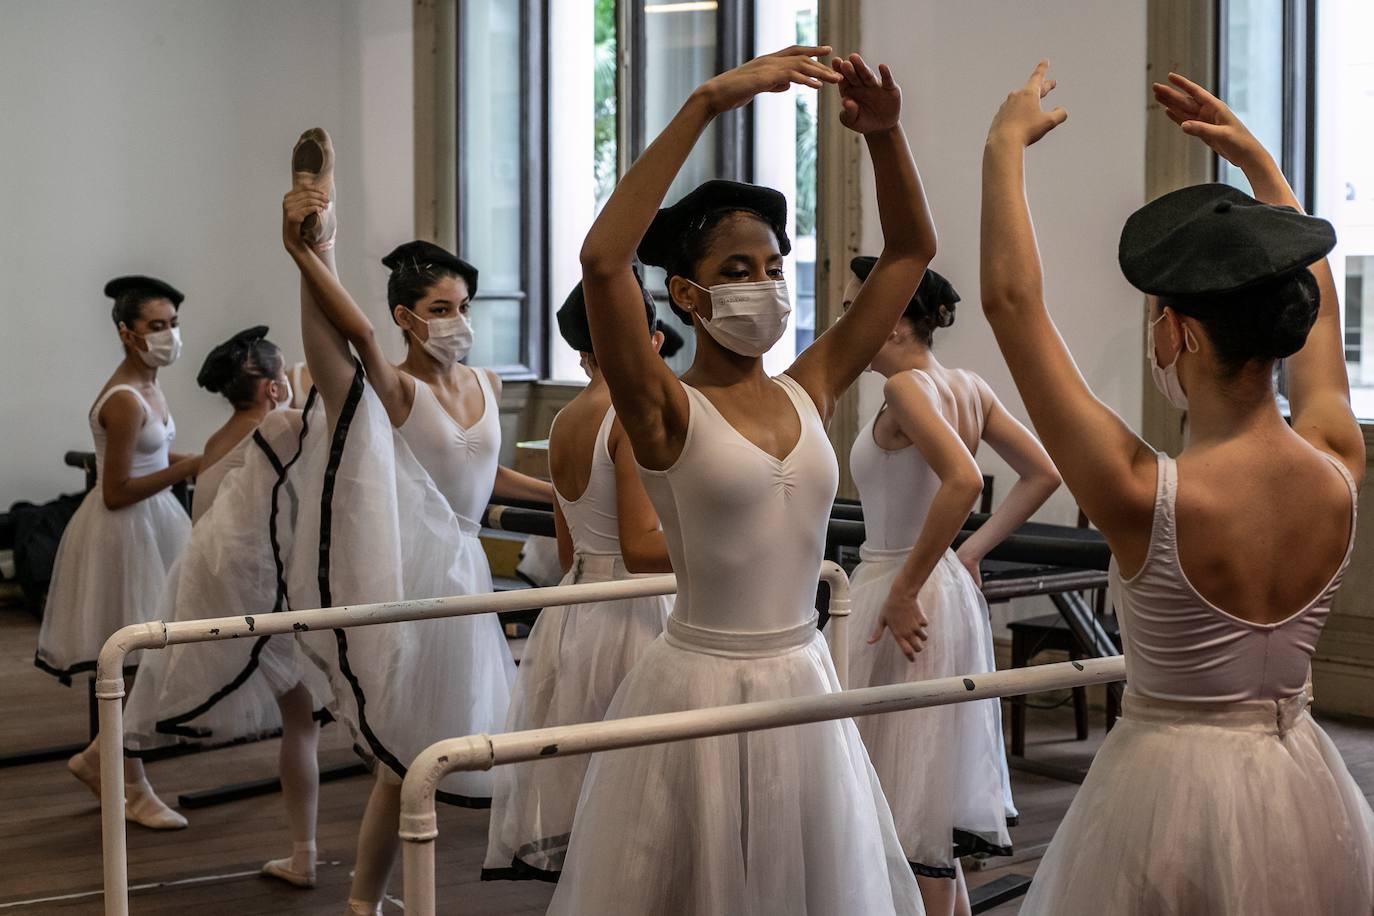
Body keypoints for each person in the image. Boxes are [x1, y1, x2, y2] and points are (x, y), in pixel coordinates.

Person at [548, 47, 935, 915]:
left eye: (772, 267)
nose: (764, 285)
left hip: (802, 677)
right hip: (701, 684)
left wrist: (885, 136)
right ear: (685, 296)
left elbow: (910, 252)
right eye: (736, 271)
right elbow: (604, 261)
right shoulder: (664, 409)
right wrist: (708, 102)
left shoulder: (814, 385)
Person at [981, 62, 1374, 914]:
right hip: (1301, 778)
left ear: (1182, 334)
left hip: (1166, 789)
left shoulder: (1140, 492)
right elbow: (1323, 309)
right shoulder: (1338, 461)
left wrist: (1003, 147)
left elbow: (1014, 305)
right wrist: (1263, 172)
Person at [281, 127, 548, 915]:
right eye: (440, 308)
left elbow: (482, 468)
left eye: (463, 306)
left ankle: (367, 900)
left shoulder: (484, 382)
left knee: (413, 761)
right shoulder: (395, 387)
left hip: (469, 567)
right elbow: (351, 335)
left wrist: (557, 498)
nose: (457, 320)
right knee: (409, 754)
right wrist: (309, 251)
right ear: (407, 315)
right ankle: (372, 899)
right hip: (421, 572)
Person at [833, 259, 1059, 915]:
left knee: (902, 798)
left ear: (899, 320)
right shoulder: (966, 386)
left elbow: (963, 482)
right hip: (936, 588)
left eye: (856, 308)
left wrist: (908, 584)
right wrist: (966, 555)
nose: (847, 321)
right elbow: (1041, 474)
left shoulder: (906, 389)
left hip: (900, 589)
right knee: (918, 791)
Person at [120, 325, 327, 885]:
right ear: (269, 387)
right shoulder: (279, 429)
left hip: (226, 588)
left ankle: (304, 854)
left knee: (301, 720)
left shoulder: (218, 440)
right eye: (284, 372)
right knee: (303, 724)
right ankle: (304, 854)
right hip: (266, 594)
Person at [483, 277, 675, 882]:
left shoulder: (567, 420)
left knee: (588, 776)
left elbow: (567, 545)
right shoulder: (629, 419)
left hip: (576, 608)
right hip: (635, 609)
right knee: (645, 786)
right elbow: (644, 549)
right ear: (650, 337)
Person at [46, 275, 198, 831]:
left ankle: (107, 763)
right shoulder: (125, 399)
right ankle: (124, 777)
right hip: (124, 530)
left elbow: (152, 455)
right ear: (126, 334)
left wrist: (212, 456)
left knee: (148, 660)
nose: (169, 336)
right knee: (136, 662)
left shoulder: (151, 389)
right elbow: (115, 491)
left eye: (173, 325)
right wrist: (190, 467)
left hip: (153, 524)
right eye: (156, 326)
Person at [191, 326, 294, 520]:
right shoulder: (267, 432)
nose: (287, 379)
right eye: (284, 373)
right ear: (273, 389)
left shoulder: (215, 440)